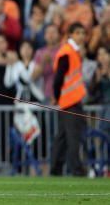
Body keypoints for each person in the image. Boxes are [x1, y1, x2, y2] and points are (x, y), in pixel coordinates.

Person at [50, 22, 87, 177]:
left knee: (63, 137)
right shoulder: (67, 52)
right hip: (70, 101)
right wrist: (57, 96)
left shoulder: (72, 51)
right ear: (70, 34)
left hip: (69, 101)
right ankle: (76, 169)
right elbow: (58, 78)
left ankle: (56, 169)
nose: (81, 36)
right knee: (73, 137)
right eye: (78, 32)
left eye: (83, 33)